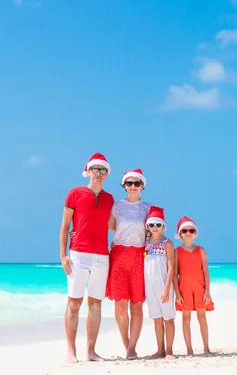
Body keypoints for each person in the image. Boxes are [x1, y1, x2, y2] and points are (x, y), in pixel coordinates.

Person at [59, 152, 115, 364]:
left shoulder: (110, 199)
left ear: (107, 174)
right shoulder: (75, 193)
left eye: (103, 171)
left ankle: (91, 351)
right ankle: (70, 350)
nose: (98, 174)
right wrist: (63, 255)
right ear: (88, 171)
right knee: (74, 303)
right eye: (95, 170)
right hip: (78, 255)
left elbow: (113, 225)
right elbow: (65, 225)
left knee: (96, 305)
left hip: (102, 256)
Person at [105, 168, 150, 360]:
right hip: (119, 255)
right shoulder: (116, 206)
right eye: (129, 183)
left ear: (142, 186)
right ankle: (126, 345)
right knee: (120, 304)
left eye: (136, 183)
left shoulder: (149, 208)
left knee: (137, 305)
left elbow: (155, 231)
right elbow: (110, 226)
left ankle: (133, 347)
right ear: (124, 186)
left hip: (140, 255)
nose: (133, 186)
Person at [173, 216, 215, 357]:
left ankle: (206, 348)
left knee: (202, 317)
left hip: (199, 287)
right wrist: (177, 293)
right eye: (185, 231)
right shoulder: (176, 251)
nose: (188, 233)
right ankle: (189, 350)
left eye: (191, 230)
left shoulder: (201, 250)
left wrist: (207, 291)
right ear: (180, 234)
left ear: (195, 232)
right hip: (184, 287)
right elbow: (174, 274)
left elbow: (205, 271)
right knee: (186, 318)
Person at [143, 205, 176, 359]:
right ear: (147, 226)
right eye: (151, 224)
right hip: (150, 286)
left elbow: (171, 268)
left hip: (164, 286)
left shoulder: (167, 243)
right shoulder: (146, 242)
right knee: (156, 318)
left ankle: (169, 350)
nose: (155, 227)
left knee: (168, 317)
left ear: (163, 226)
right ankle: (160, 350)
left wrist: (166, 289)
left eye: (158, 224)